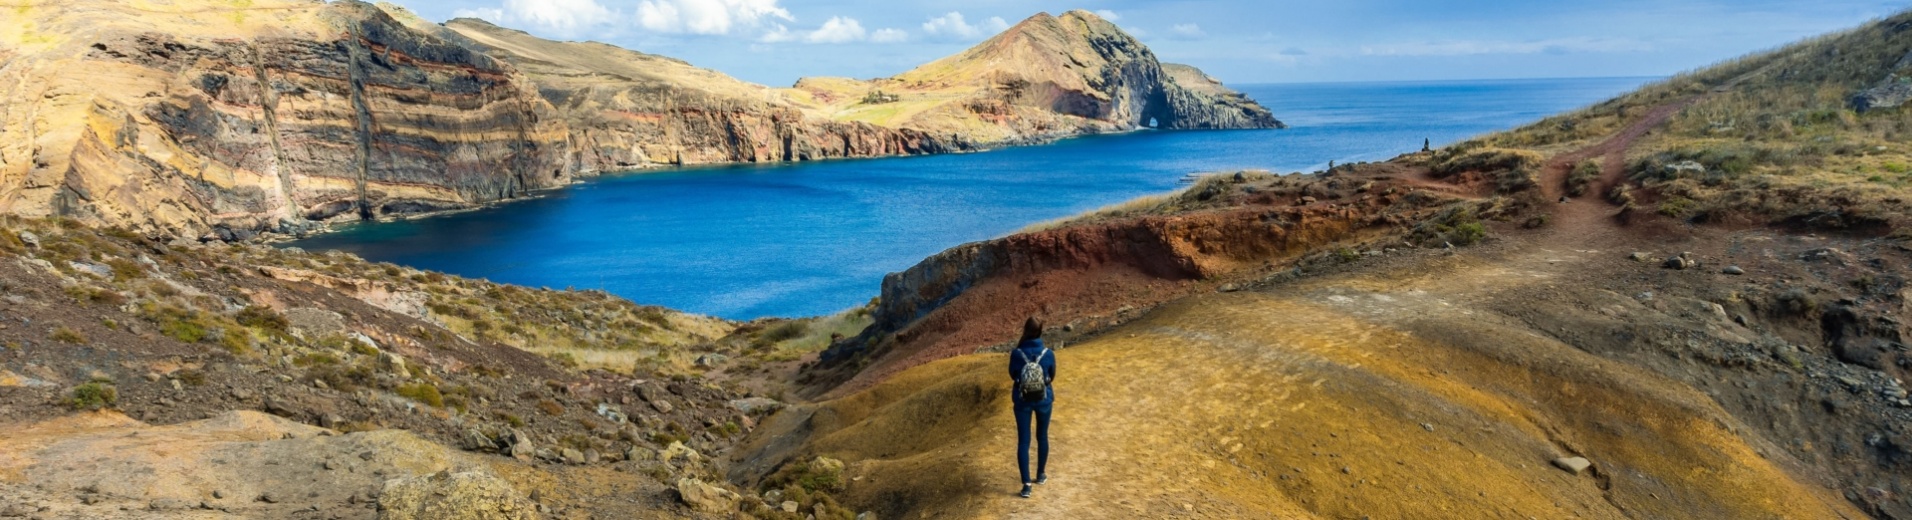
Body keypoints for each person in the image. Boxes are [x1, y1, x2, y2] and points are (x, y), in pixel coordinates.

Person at [1009, 316, 1056, 498]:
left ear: (1025, 330)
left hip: (1022, 402)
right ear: (1040, 331)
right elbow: (1052, 375)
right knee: (1042, 436)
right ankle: (1041, 474)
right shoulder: (1048, 353)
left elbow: (1013, 375)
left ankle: (1027, 484)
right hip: (1044, 400)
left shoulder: (1016, 354)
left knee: (1023, 441)